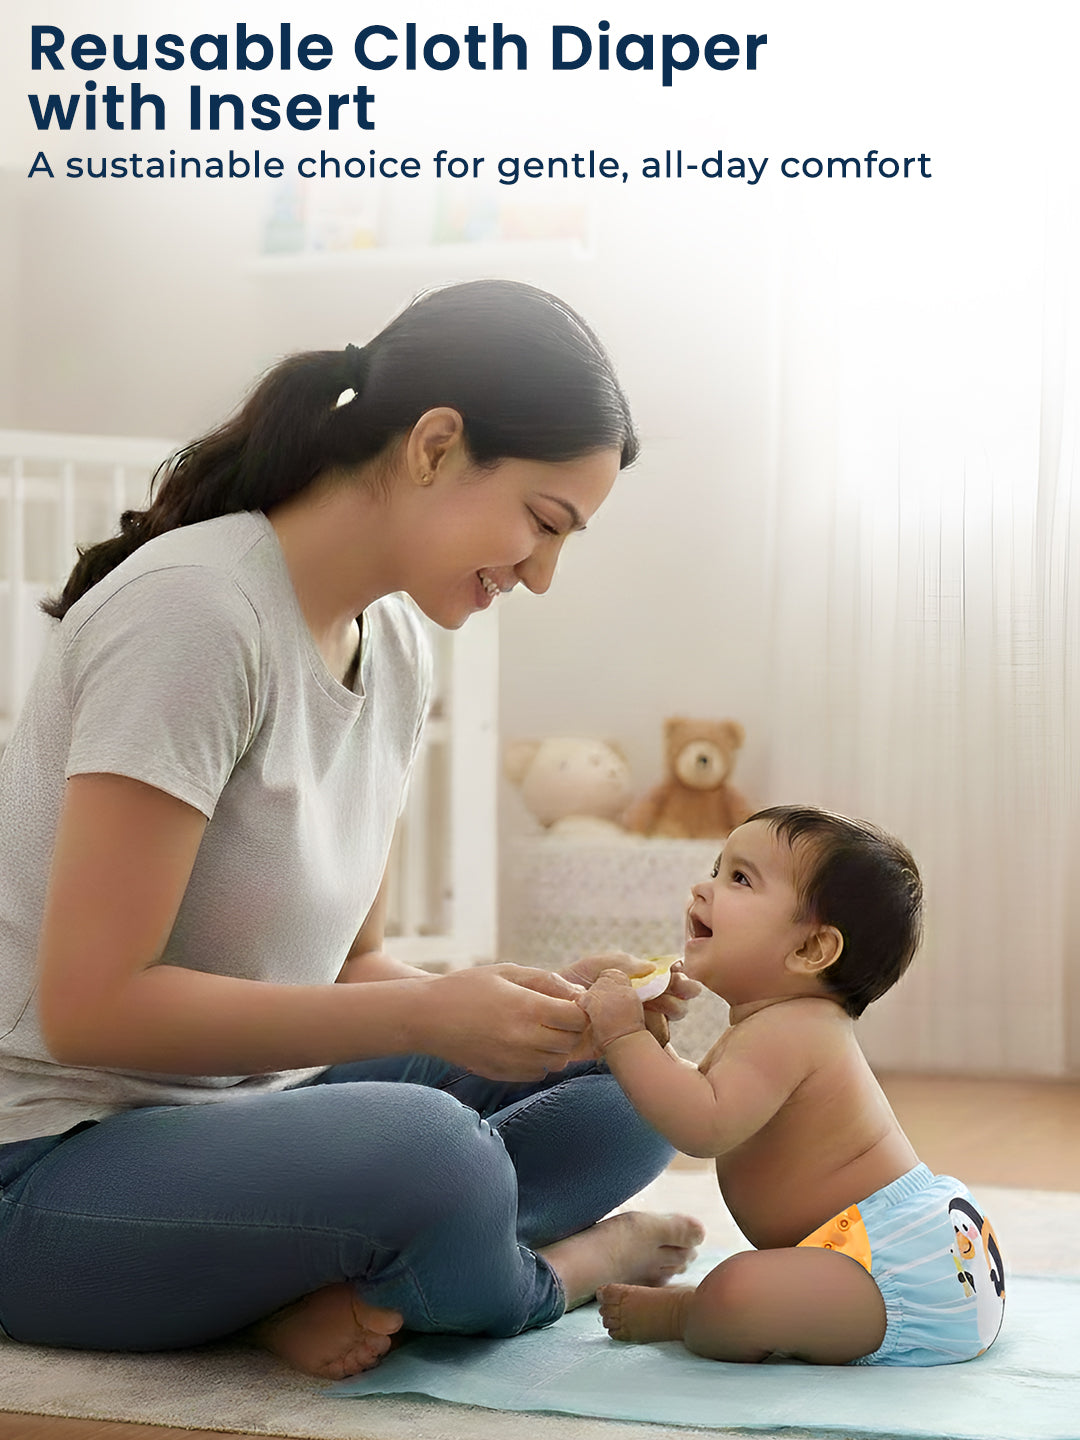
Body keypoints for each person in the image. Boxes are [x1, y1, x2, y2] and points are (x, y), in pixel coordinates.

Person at [0, 279, 703, 1380]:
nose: (543, 572)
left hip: (247, 1118)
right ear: (434, 445)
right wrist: (429, 1012)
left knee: (634, 1093)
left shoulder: (398, 644)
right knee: (437, 1161)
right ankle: (554, 1273)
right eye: (543, 519)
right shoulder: (195, 614)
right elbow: (90, 1011)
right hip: (46, 1159)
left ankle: (309, 1280)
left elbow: (357, 965)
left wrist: (539, 1009)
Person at [579, 805, 1006, 1367]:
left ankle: (686, 1312)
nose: (701, 889)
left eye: (738, 878)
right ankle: (725, 1305)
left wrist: (624, 1037)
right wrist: (655, 1049)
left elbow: (703, 1125)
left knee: (735, 1295)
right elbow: (706, 1096)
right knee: (749, 1288)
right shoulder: (774, 1026)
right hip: (877, 1251)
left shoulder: (793, 1028)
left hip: (897, 1264)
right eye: (717, 868)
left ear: (810, 950)